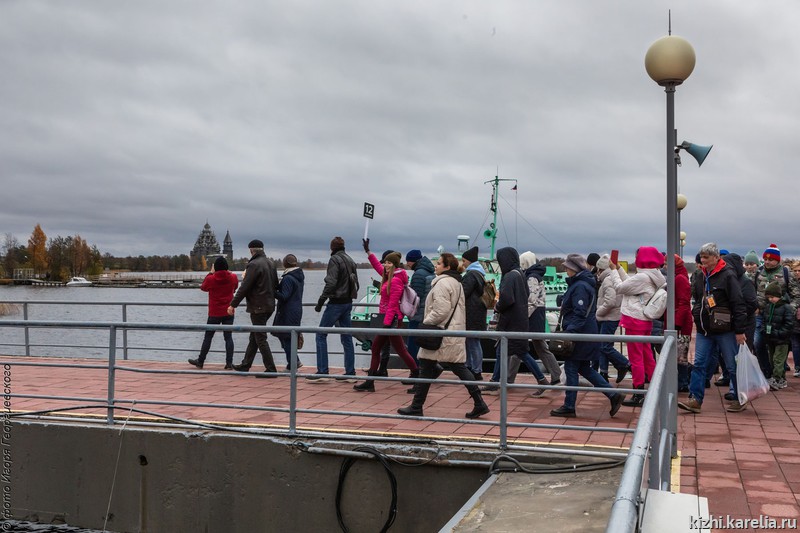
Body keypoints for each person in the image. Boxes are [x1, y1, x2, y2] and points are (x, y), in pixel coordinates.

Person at [397, 253, 489, 418]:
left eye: (439, 263)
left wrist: (426, 322)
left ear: (447, 267)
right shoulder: (456, 282)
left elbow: (440, 311)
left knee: (443, 368)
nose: (435, 266)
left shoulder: (442, 284)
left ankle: (417, 406)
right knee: (444, 367)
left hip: (440, 333)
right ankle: (478, 402)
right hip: (452, 332)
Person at [549, 254, 624, 418]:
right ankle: (613, 395)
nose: (566, 270)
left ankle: (569, 406)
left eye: (568, 267)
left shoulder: (580, 286)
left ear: (574, 269)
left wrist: (569, 333)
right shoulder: (583, 283)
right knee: (584, 368)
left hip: (579, 334)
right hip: (586, 332)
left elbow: (580, 313)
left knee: (571, 368)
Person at [678, 243, 748, 414]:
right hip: (705, 330)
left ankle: (740, 397)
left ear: (716, 258)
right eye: (701, 257)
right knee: (699, 364)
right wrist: (697, 314)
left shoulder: (728, 275)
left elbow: (738, 303)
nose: (703, 260)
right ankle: (695, 399)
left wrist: (739, 330)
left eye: (706, 257)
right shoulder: (700, 275)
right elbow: (698, 299)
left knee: (731, 366)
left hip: (725, 329)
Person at [353, 240, 419, 392]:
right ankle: (370, 382)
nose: (385, 265)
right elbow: (378, 266)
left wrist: (387, 324)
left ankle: (418, 377)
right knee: (377, 348)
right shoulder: (389, 276)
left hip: (392, 321)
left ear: (395, 265)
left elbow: (393, 305)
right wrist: (368, 252)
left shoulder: (395, 281)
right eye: (385, 262)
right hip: (388, 320)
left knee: (400, 351)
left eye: (389, 263)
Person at [483, 247, 549, 396]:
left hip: (510, 322)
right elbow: (526, 294)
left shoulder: (509, 276)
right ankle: (495, 382)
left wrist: (497, 306)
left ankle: (541, 379)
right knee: (508, 351)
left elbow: (507, 299)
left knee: (517, 352)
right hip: (520, 320)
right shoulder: (520, 274)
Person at [608, 246, 666, 407]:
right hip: (645, 321)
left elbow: (620, 288)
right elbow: (630, 283)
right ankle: (656, 387)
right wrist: (619, 269)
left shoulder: (642, 277)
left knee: (636, 358)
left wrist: (612, 270)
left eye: (637, 256)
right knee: (647, 355)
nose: (635, 259)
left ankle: (638, 392)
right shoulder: (653, 275)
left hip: (634, 320)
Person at [308, 236, 359, 382]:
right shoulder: (350, 259)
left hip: (336, 303)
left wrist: (321, 300)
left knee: (320, 334)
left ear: (332, 247)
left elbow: (331, 283)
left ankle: (322, 372)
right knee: (347, 336)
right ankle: (350, 373)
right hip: (348, 303)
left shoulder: (334, 260)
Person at [229, 240, 279, 376]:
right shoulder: (271, 263)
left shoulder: (253, 265)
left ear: (251, 250)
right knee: (255, 336)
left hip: (258, 307)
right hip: (269, 305)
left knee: (260, 338)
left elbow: (244, 287)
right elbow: (275, 284)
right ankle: (246, 364)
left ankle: (271, 369)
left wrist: (233, 304)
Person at [753, 244, 800, 380]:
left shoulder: (786, 273)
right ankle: (766, 371)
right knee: (757, 343)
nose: (767, 262)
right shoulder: (759, 272)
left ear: (777, 260)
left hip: (779, 316)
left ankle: (777, 374)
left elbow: (796, 295)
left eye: (771, 259)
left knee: (777, 346)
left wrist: (789, 310)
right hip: (762, 315)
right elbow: (754, 291)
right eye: (765, 259)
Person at [188, 256, 239, 370]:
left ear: (215, 267)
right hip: (228, 311)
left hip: (214, 312)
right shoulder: (233, 277)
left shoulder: (211, 278)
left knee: (208, 337)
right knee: (228, 337)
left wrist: (210, 273)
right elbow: (235, 287)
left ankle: (200, 361)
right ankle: (229, 363)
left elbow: (203, 287)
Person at [519, 251, 561, 384]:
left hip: (533, 316)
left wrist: (523, 316)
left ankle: (506, 377)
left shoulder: (531, 278)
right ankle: (556, 374)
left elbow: (531, 300)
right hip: (538, 315)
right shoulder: (536, 275)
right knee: (539, 347)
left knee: (519, 346)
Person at [593, 254, 631, 384]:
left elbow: (610, 302)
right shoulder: (611, 278)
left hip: (609, 317)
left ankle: (625, 364)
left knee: (605, 346)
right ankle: (603, 373)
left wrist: (598, 312)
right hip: (610, 316)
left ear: (601, 269)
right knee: (603, 346)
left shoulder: (607, 280)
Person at [273, 254, 304, 371]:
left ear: (285, 263)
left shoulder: (288, 278)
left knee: (285, 337)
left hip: (287, 311)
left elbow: (284, 296)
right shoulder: (298, 276)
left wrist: (272, 291)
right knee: (288, 337)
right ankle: (293, 362)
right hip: (296, 310)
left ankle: (294, 363)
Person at [460, 246, 488, 379]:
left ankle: (476, 370)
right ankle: (473, 368)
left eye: (464, 261)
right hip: (478, 314)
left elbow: (463, 293)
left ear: (469, 261)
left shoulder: (471, 275)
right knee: (472, 342)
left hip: (471, 314)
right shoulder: (480, 274)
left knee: (472, 343)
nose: (463, 264)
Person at [762, 281, 794, 390]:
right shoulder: (768, 307)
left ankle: (776, 378)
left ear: (779, 295)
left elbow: (789, 324)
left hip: (782, 339)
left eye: (772, 297)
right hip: (771, 338)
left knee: (778, 360)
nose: (770, 299)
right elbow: (764, 320)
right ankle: (781, 379)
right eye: (768, 297)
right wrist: (764, 330)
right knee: (772, 359)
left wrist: (779, 333)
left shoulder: (787, 308)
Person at [405, 249, 435, 363]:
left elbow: (415, 296)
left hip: (418, 315)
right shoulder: (429, 271)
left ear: (413, 261)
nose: (407, 264)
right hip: (427, 313)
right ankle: (428, 367)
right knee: (424, 345)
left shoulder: (418, 274)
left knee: (413, 345)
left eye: (408, 261)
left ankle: (416, 369)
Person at [792, 261, 800, 377]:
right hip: (793, 317)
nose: (797, 273)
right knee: (795, 344)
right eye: (795, 270)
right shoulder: (790, 283)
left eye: (799, 270)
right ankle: (797, 367)